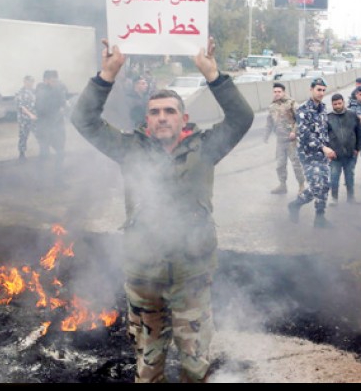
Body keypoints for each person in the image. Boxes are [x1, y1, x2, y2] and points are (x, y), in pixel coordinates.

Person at [71, 37, 253, 383]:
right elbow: (84, 120)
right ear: (147, 119)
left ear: (183, 118)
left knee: (195, 366)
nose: (162, 117)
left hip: (192, 277)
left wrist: (214, 75)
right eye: (155, 112)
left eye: (170, 111)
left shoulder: (206, 148)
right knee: (148, 367)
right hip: (143, 280)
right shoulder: (130, 150)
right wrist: (106, 76)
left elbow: (241, 118)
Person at [287, 77, 337, 228]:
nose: (321, 93)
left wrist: (329, 147)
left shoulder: (323, 109)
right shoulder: (303, 110)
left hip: (322, 155)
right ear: (311, 89)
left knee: (325, 185)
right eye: (318, 90)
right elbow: (305, 134)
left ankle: (319, 218)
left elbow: (323, 132)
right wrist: (323, 148)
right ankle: (295, 204)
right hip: (308, 155)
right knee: (316, 186)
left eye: (323, 90)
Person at [264, 82, 306, 195]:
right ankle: (282, 185)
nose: (277, 94)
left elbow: (300, 119)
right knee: (280, 165)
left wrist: (294, 131)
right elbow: (269, 121)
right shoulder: (272, 106)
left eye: (279, 91)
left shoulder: (291, 103)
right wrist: (266, 135)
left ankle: (301, 185)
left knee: (296, 164)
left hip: (291, 140)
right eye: (275, 92)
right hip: (280, 141)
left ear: (284, 92)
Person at [326, 92, 361, 205]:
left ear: (343, 102)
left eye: (339, 103)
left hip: (350, 153)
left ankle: (351, 197)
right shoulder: (328, 118)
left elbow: (359, 133)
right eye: (335, 104)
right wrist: (328, 151)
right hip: (335, 155)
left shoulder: (352, 115)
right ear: (332, 105)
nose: (337, 106)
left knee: (350, 177)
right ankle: (334, 198)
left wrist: (357, 148)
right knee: (334, 177)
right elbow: (324, 136)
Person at [34, 69, 69, 180]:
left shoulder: (58, 90)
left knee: (60, 153)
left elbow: (63, 103)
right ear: (46, 80)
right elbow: (40, 110)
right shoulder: (41, 92)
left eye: (56, 80)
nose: (55, 83)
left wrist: (65, 107)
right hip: (44, 128)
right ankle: (40, 180)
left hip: (57, 128)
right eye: (53, 80)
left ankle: (59, 180)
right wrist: (56, 112)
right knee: (44, 154)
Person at [15, 75, 37, 162]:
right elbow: (21, 107)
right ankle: (22, 155)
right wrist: (30, 115)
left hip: (34, 118)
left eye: (32, 81)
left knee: (39, 134)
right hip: (24, 119)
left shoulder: (34, 92)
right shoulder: (21, 92)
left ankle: (44, 152)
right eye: (29, 81)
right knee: (23, 136)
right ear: (25, 82)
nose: (31, 83)